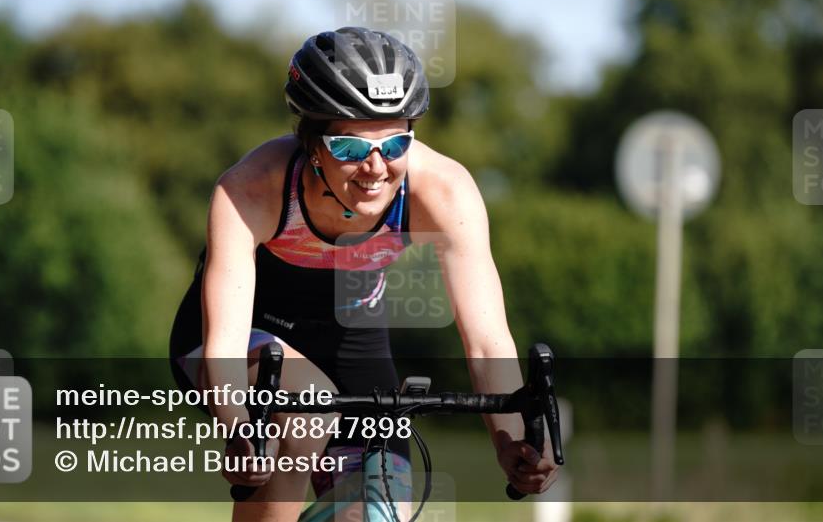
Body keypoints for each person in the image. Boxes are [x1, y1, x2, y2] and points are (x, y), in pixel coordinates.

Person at [170, 27, 558, 521]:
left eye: (395, 144)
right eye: (350, 149)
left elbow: (486, 340)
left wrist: (512, 441)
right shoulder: (252, 188)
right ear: (310, 142)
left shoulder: (443, 190)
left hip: (352, 339)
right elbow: (223, 342)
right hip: (240, 340)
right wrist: (237, 424)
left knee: (375, 511)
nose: (375, 168)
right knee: (307, 412)